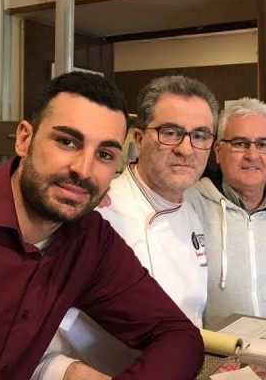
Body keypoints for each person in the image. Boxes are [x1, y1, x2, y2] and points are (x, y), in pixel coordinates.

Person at [0, 72, 203, 379]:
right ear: (24, 139)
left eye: (104, 154)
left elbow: (178, 335)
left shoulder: (91, 241)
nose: (83, 170)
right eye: (67, 141)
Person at [35, 75, 219, 379]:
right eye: (170, 132)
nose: (186, 149)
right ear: (139, 139)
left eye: (200, 135)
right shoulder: (95, 214)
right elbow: (28, 334)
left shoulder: (191, 212)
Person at [186, 98, 266, 329]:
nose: (252, 155)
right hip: (212, 349)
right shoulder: (187, 208)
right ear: (218, 151)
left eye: (263, 144)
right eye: (240, 143)